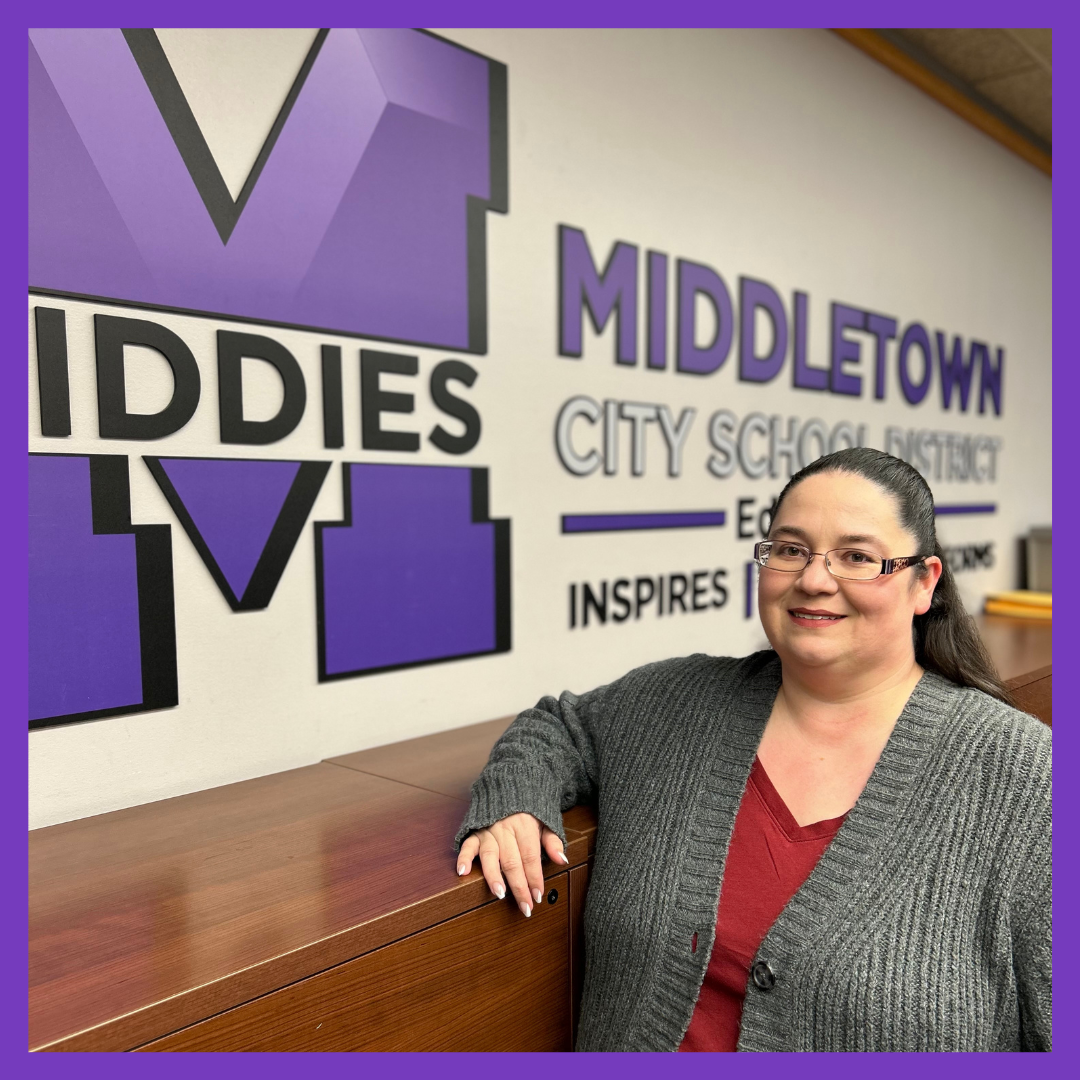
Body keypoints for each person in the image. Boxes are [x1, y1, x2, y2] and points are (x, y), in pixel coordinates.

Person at [454, 447, 1051, 1052]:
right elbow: (560, 727)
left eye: (857, 557)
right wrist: (515, 800)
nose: (815, 580)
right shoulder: (675, 703)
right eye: (790, 550)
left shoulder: (1027, 778)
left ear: (924, 583)